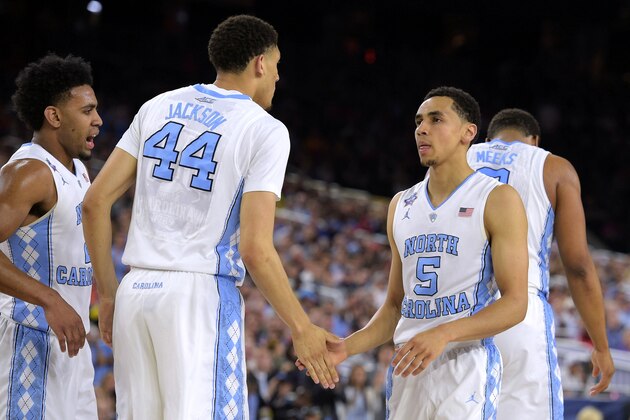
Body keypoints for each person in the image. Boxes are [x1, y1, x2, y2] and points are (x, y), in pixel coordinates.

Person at [82, 14, 340, 419]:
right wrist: (301, 327)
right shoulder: (265, 129)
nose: (277, 76)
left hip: (134, 291)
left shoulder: (157, 106)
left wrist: (110, 293)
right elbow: (255, 249)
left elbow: (94, 202)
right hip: (197, 296)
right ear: (259, 63)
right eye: (276, 64)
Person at [301, 86, 529, 419]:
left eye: (437, 119)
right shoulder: (400, 204)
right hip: (407, 368)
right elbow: (395, 306)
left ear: (469, 133)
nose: (422, 129)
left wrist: (445, 333)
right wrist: (346, 347)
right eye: (419, 121)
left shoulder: (497, 198)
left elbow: (515, 304)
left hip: (463, 366)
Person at [467, 108, 615, 419]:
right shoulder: (554, 167)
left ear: (487, 138)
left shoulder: (459, 156)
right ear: (534, 140)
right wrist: (601, 346)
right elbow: (577, 266)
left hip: (457, 308)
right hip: (518, 308)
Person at [0, 53, 102, 419]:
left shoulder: (78, 172)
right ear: (54, 116)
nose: (98, 120)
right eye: (87, 111)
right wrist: (50, 300)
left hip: (71, 345)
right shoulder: (29, 172)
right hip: (28, 338)